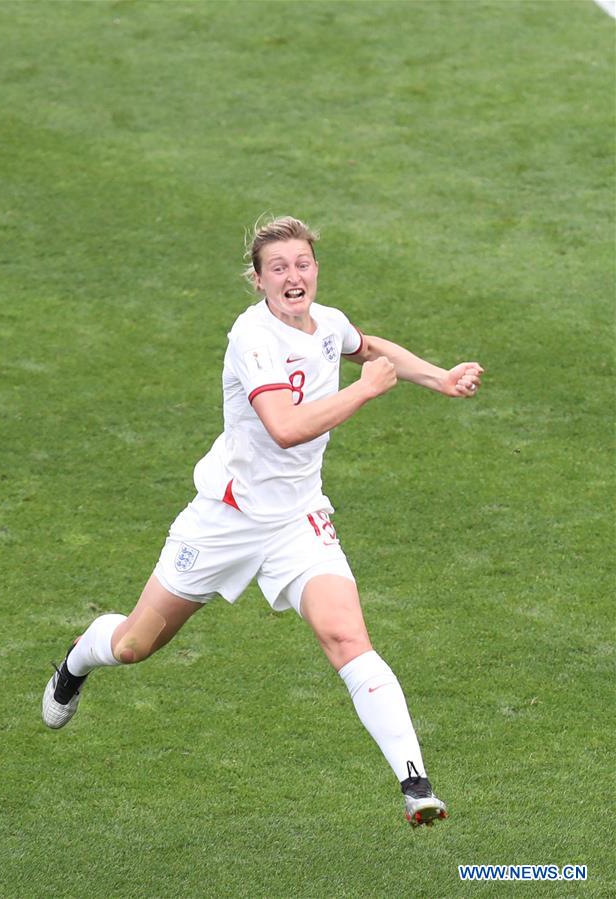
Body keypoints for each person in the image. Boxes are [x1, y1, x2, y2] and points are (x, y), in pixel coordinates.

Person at [42, 215, 483, 828]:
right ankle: (78, 660)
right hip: (225, 520)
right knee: (135, 644)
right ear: (257, 280)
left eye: (302, 263)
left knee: (346, 638)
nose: (292, 275)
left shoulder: (327, 322)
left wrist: (438, 377)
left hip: (297, 520)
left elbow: (369, 348)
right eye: (278, 268)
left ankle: (416, 784)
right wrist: (366, 391)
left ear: (315, 271)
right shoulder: (252, 339)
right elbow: (284, 428)